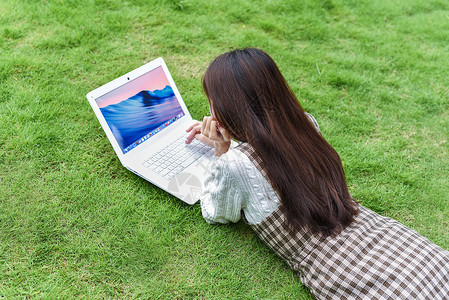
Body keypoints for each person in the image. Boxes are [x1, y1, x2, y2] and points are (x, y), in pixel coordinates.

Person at [185, 48, 449, 299]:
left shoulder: (234, 165)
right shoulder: (307, 125)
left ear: (227, 108)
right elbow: (269, 152)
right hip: (383, 238)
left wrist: (221, 151)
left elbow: (216, 212)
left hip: (337, 269)